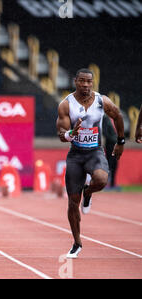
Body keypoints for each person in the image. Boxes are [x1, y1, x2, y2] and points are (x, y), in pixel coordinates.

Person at [56, 68, 124, 258]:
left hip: (95, 151)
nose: (85, 85)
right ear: (75, 81)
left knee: (102, 180)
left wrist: (120, 142)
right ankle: (77, 243)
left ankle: (89, 192)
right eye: (82, 81)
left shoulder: (102, 101)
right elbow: (61, 134)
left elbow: (118, 116)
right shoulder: (65, 104)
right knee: (72, 204)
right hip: (76, 155)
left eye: (89, 82)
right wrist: (71, 134)